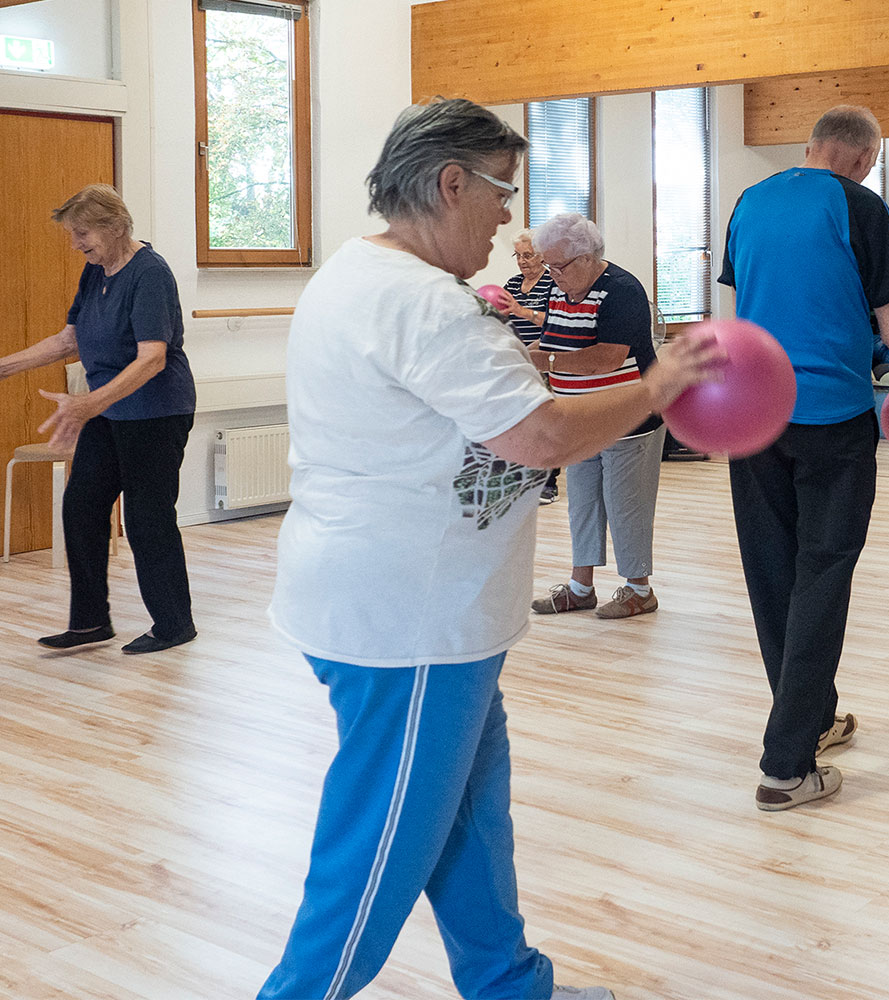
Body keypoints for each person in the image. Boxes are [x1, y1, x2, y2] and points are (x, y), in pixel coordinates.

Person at [259, 98, 725, 1000]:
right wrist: (659, 384)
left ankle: (512, 986)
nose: (510, 214)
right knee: (379, 852)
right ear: (450, 183)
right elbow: (541, 435)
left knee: (471, 821)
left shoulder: (364, 275)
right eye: (502, 191)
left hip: (435, 617)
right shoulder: (417, 302)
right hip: (410, 625)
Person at [718, 105, 889, 811]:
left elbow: (738, 315)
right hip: (833, 421)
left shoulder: (749, 202)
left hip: (755, 418)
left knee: (775, 576)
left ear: (810, 146)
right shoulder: (862, 206)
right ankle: (786, 766)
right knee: (823, 578)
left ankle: (813, 720)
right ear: (863, 157)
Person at [0, 183, 197, 655]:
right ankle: (90, 623)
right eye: (73, 234)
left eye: (82, 233)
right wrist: (4, 367)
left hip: (156, 411)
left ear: (115, 227)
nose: (75, 244)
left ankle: (174, 624)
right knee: (82, 505)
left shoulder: (150, 273)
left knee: (147, 517)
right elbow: (69, 340)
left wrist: (88, 403)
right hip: (109, 410)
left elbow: (152, 358)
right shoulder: (96, 271)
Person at [528, 213, 667, 620]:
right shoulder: (559, 290)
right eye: (548, 265)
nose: (552, 274)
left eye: (559, 265)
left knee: (626, 504)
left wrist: (540, 359)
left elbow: (605, 359)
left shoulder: (621, 290)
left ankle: (639, 588)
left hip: (629, 419)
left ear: (587, 258)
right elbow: (554, 342)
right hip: (578, 418)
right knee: (583, 503)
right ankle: (580, 586)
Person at [497, 229, 560, 503]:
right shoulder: (512, 285)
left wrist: (523, 312)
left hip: (545, 361)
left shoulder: (553, 284)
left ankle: (549, 482)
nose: (522, 261)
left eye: (528, 255)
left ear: (542, 256)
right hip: (518, 362)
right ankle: (525, 479)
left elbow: (556, 323)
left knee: (546, 423)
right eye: (518, 256)